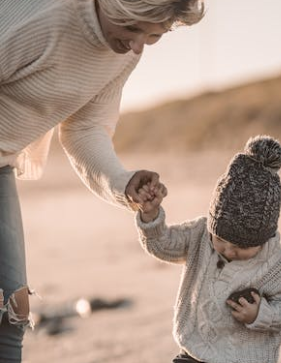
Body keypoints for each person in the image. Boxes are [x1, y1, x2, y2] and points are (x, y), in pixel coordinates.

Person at [0, 0, 204, 361]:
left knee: (10, 312)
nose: (138, 45)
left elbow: (85, 127)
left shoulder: (124, 51)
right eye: (133, 28)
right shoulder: (43, 15)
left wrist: (123, 183)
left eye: (153, 35)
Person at [136, 135, 281, 363]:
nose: (229, 250)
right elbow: (162, 244)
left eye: (242, 246)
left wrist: (261, 314)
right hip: (194, 351)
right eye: (221, 239)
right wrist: (151, 216)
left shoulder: (274, 262)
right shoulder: (200, 235)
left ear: (264, 238)